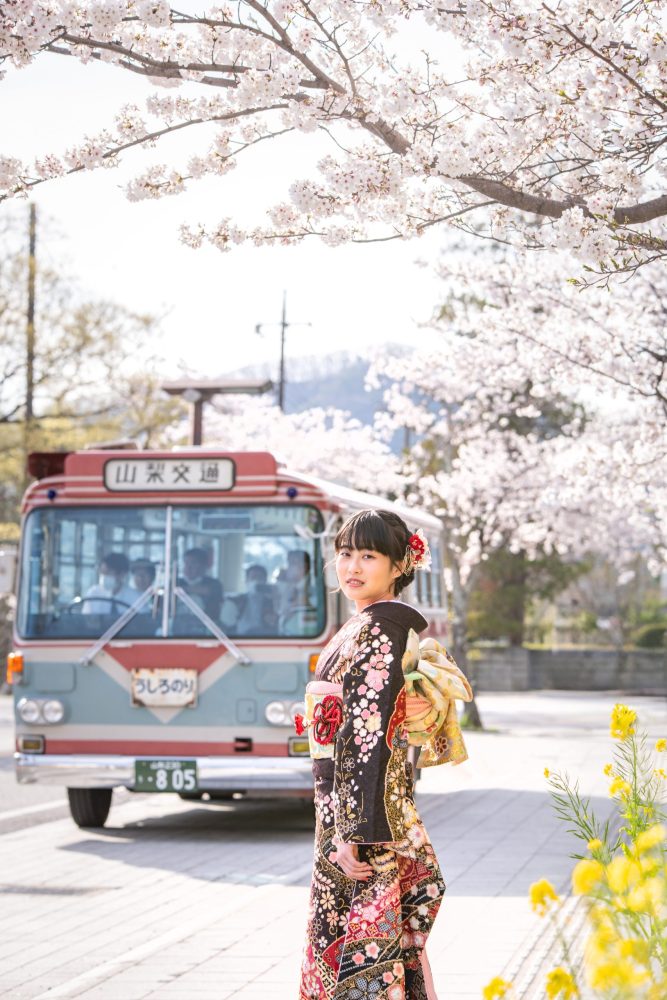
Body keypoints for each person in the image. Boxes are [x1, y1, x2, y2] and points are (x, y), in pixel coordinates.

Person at [298, 509, 446, 1000]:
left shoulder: (379, 630)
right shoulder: (360, 626)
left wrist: (352, 833)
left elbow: (366, 738)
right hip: (351, 813)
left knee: (363, 958)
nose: (352, 566)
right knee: (377, 955)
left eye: (369, 555)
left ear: (400, 563)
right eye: (344, 554)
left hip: (364, 824)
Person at [178, 547, 223, 621]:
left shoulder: (214, 584)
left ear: (203, 566)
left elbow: (209, 591)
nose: (188, 567)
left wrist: (183, 590)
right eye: (186, 563)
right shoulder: (177, 582)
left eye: (193, 563)